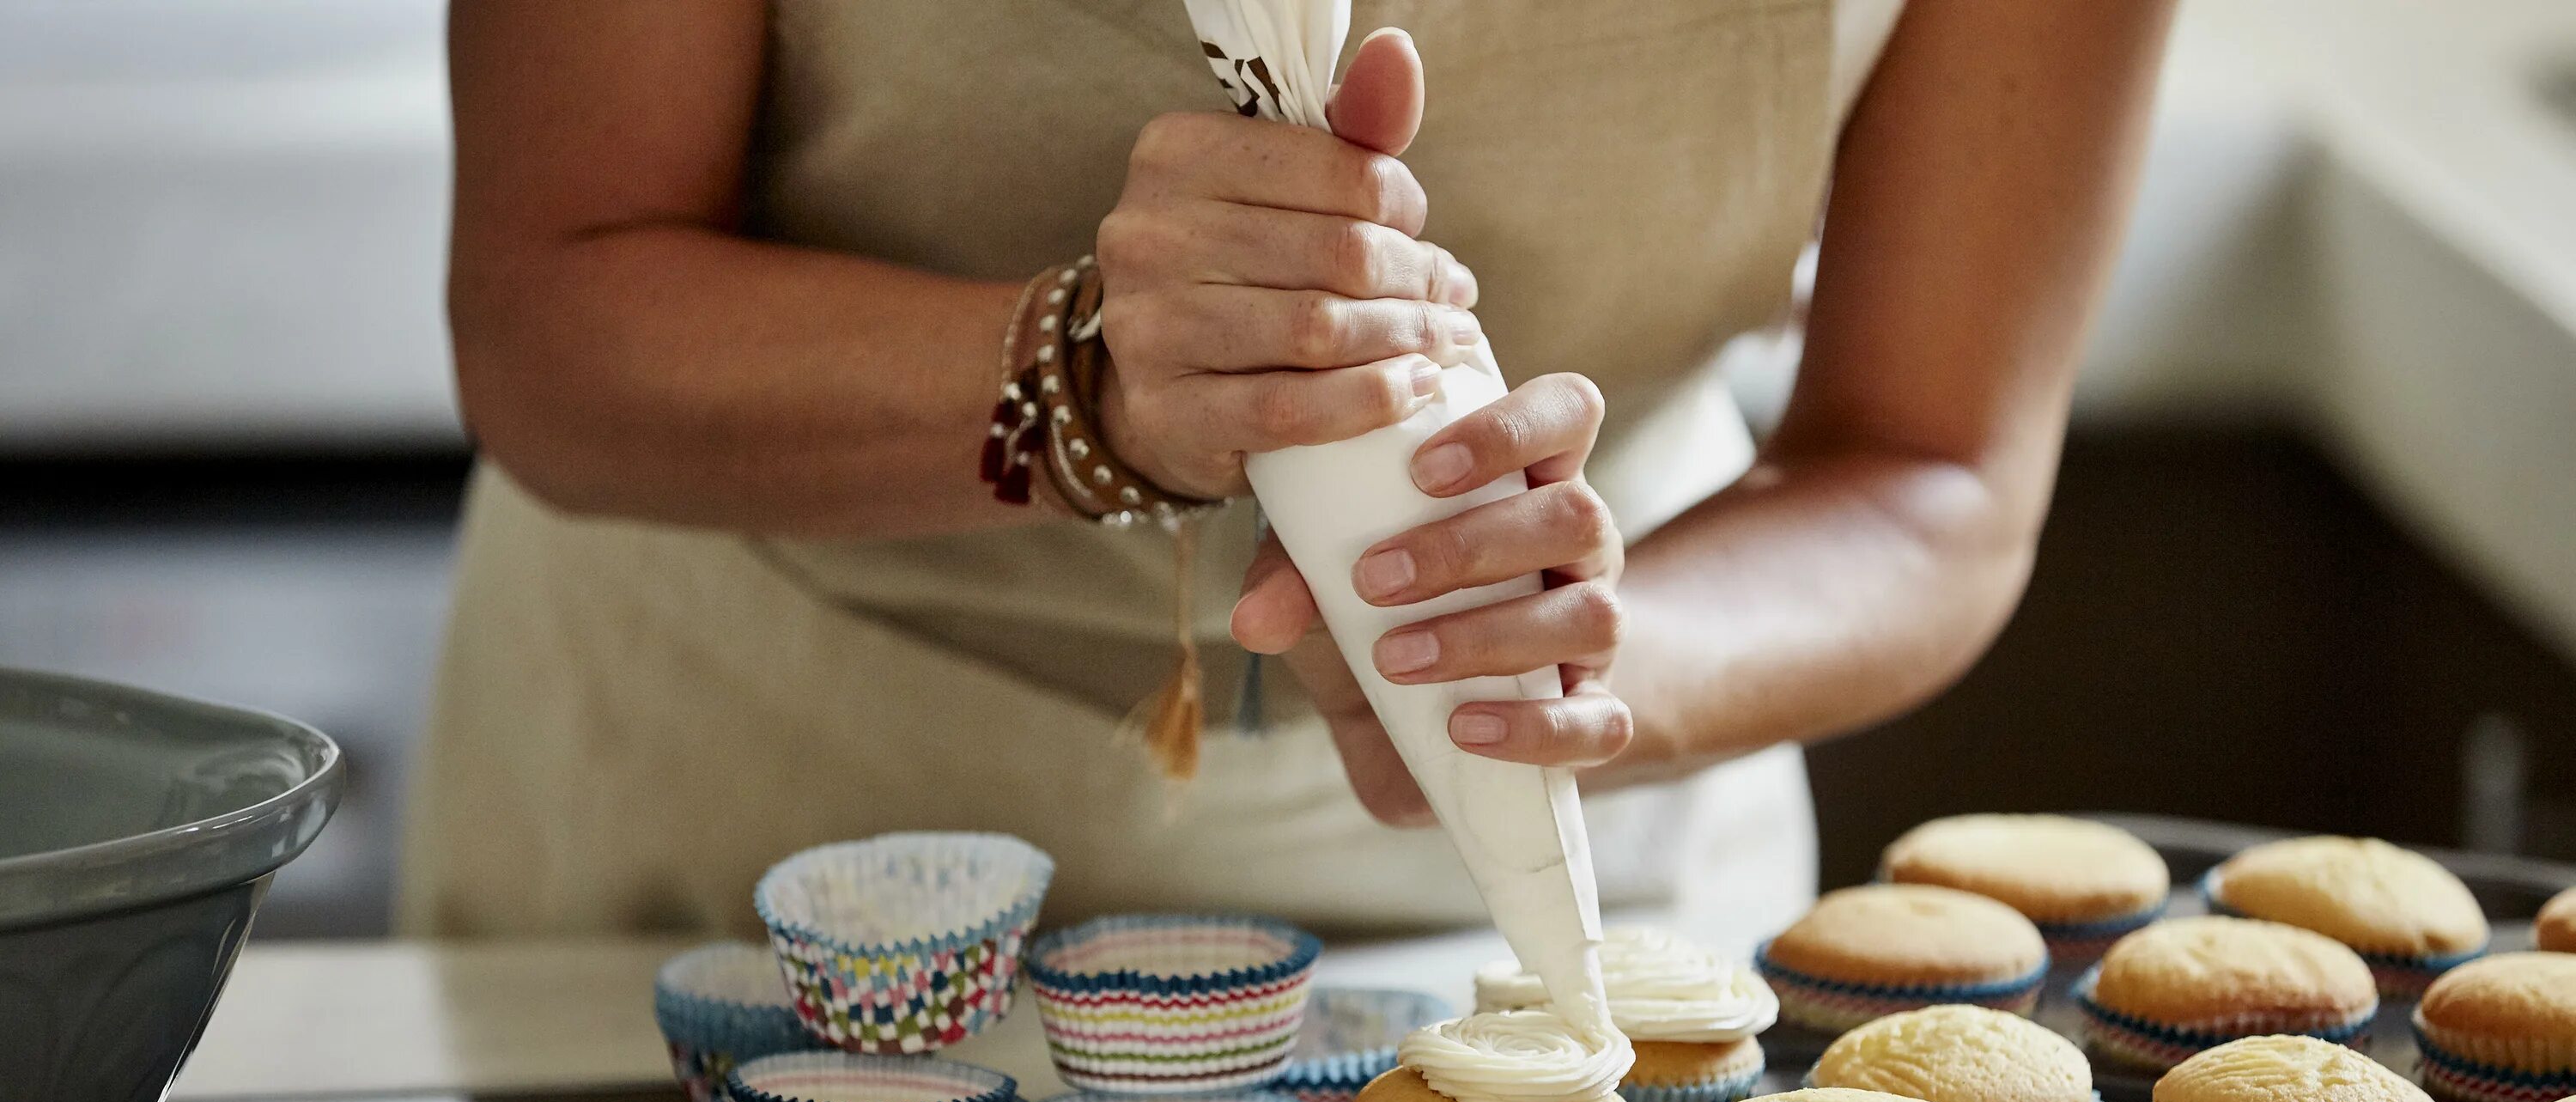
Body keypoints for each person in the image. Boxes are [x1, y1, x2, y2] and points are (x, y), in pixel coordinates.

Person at [402, 1, 2178, 954]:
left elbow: (1930, 466)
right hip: (762, 862)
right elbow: (551, 307)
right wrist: (1078, 376)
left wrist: (1565, 663)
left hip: (1580, 895)